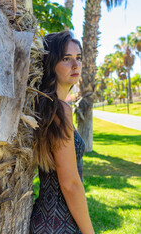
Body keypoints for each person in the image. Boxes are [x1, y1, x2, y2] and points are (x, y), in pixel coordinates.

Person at [30, 31, 95, 234]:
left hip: (43, 220)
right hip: (60, 225)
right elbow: (70, 184)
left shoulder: (44, 106)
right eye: (66, 59)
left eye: (78, 58)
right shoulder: (59, 110)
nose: (75, 65)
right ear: (51, 64)